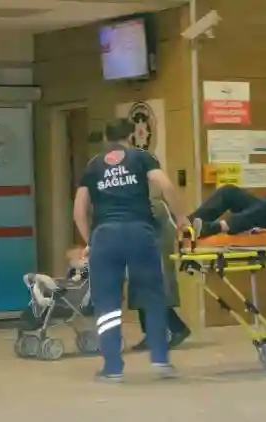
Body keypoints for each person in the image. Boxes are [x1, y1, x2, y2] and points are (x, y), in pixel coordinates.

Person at [73, 118, 187, 382]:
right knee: (153, 295)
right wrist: (181, 218)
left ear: (106, 139)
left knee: (107, 303)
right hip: (139, 232)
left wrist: (90, 240)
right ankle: (160, 359)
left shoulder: (93, 166)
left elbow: (79, 210)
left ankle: (113, 367)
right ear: (131, 136)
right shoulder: (142, 158)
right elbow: (166, 186)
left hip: (105, 236)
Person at [131, 197, 191, 352]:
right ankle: (152, 334)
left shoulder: (152, 202)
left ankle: (177, 328)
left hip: (153, 246)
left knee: (151, 292)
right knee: (141, 293)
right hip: (142, 245)